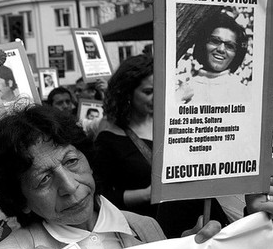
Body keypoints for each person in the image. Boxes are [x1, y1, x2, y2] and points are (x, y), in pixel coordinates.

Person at [0, 104, 273, 249]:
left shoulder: (144, 227)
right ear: (20, 201)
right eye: (44, 180)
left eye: (72, 161)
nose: (69, 187)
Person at [93, 54, 229, 237]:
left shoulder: (175, 123)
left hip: (204, 218)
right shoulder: (109, 139)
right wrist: (147, 194)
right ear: (127, 93)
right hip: (157, 233)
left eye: (160, 90)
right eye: (148, 92)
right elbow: (102, 197)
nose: (156, 98)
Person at [176, 12, 249, 105]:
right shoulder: (185, 89)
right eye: (215, 41)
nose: (221, 49)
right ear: (202, 44)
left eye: (230, 46)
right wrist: (178, 97)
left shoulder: (243, 93)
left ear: (236, 54)